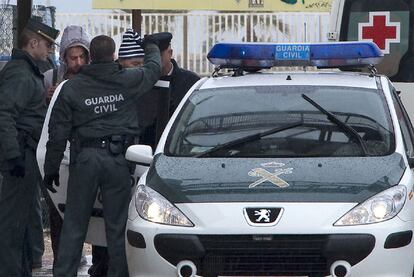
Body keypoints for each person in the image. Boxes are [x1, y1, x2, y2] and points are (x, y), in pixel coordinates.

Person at [43, 33, 165, 277]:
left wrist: (51, 168)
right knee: (116, 229)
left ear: (90, 57)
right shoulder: (128, 80)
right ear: (113, 56)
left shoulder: (72, 88)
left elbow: (57, 132)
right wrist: (151, 45)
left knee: (74, 226)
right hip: (117, 160)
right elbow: (153, 69)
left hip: (85, 160)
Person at [0, 18, 59, 276]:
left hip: (26, 153)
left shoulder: (27, 70)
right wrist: (13, 156)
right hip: (20, 155)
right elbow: (4, 114)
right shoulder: (20, 72)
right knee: (12, 223)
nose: (49, 50)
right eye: (47, 45)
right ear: (33, 42)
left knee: (21, 220)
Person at [87, 28, 145, 277]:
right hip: (115, 161)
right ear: (118, 60)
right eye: (134, 63)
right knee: (109, 226)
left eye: (141, 63)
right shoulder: (124, 83)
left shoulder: (139, 83)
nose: (138, 68)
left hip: (132, 162)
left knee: (116, 226)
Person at [42, 25, 91, 268]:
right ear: (64, 57)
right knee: (57, 214)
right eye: (73, 57)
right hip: (57, 156)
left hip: (85, 157)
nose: (78, 62)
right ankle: (62, 261)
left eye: (82, 57)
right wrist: (46, 100)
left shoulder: (93, 79)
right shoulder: (50, 78)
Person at [137, 32, 200, 149]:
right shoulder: (140, 81)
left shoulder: (190, 81)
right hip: (146, 148)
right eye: (150, 55)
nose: (154, 59)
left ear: (170, 53)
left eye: (159, 54)